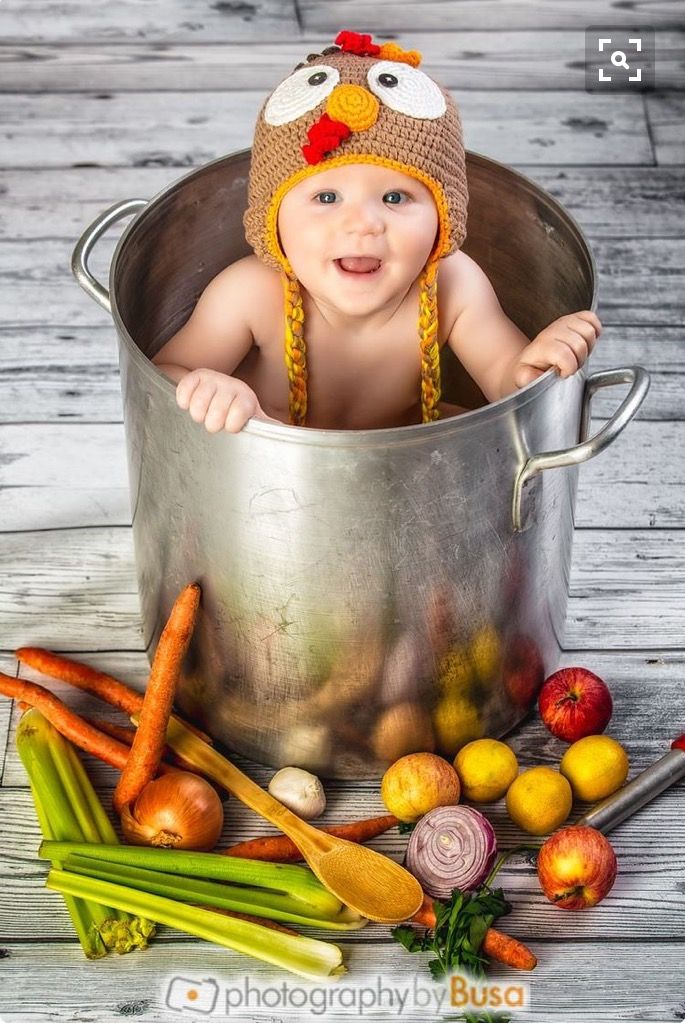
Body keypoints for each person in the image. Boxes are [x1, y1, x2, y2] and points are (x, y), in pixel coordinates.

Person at [153, 30, 601, 433]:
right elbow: (166, 370)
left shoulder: (452, 284)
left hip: (402, 460)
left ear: (444, 217)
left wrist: (532, 367)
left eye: (395, 198)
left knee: (490, 441)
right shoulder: (249, 292)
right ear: (273, 219)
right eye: (326, 198)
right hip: (275, 466)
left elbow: (505, 378)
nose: (363, 224)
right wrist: (207, 387)